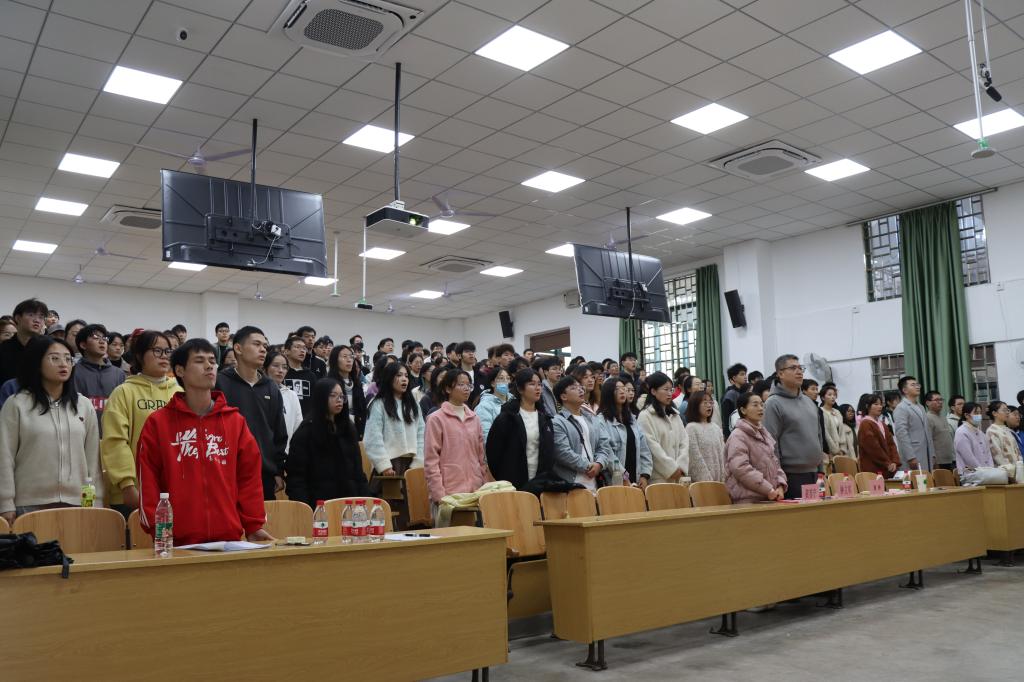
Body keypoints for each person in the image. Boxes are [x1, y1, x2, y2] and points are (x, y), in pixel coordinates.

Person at [136, 339, 272, 545]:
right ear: (180, 370)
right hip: (176, 542)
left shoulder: (235, 421)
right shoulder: (158, 423)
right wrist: (158, 528)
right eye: (199, 361)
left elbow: (249, 478)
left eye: (212, 361)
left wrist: (253, 525)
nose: (209, 366)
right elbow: (148, 480)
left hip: (228, 540)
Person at [0, 336, 102, 523]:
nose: (63, 364)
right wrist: (5, 503)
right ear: (37, 363)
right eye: (54, 358)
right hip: (29, 504)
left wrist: (94, 502)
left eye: (68, 359)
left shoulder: (83, 405)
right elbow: (4, 456)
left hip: (78, 503)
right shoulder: (16, 404)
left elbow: (92, 462)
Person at [101, 330, 183, 514]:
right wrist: (127, 484)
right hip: (133, 492)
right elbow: (115, 442)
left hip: (174, 490)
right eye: (157, 351)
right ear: (139, 355)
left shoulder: (179, 393)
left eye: (167, 351)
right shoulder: (123, 392)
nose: (164, 356)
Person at [215, 326, 288, 501]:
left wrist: (277, 470)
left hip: (263, 473)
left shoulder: (271, 387)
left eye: (265, 346)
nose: (263, 349)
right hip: (225, 471)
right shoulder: (219, 383)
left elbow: (278, 432)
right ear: (238, 348)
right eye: (256, 344)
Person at [285, 378, 370, 509]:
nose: (339, 400)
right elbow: (296, 478)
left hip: (349, 502)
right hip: (318, 504)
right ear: (321, 398)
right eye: (333, 395)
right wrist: (305, 510)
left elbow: (358, 471)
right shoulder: (306, 431)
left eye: (341, 396)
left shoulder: (348, 428)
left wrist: (365, 500)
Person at [762, 355, 823, 498]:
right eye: (793, 368)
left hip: (815, 473)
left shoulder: (809, 402)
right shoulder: (773, 403)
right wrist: (778, 479)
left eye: (800, 368)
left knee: (820, 512)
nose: (799, 371)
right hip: (790, 476)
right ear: (780, 373)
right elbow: (771, 445)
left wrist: (821, 471)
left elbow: (818, 437)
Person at [424, 369, 488, 506]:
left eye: (469, 385)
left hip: (476, 490)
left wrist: (484, 484)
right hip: (449, 492)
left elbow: (481, 457)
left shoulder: (474, 418)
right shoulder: (436, 419)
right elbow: (431, 460)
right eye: (461, 384)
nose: (466, 388)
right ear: (448, 389)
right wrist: (438, 495)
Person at [486, 368, 555, 490]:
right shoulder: (506, 418)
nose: (538, 388)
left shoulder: (545, 418)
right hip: (513, 483)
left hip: (540, 482)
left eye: (539, 384)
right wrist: (504, 478)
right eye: (532, 384)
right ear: (520, 389)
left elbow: (550, 452)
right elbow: (493, 453)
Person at [363, 361, 424, 477]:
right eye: (399, 375)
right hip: (390, 464)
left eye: (406, 376)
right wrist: (384, 465)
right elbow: (373, 437)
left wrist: (418, 462)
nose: (404, 379)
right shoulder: (378, 404)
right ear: (389, 378)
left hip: (412, 464)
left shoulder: (413, 405)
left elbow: (421, 434)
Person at [725, 393, 786, 503]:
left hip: (770, 496)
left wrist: (780, 486)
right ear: (743, 410)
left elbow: (775, 463)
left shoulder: (764, 433)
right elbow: (741, 468)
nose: (760, 408)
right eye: (755, 405)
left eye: (762, 405)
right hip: (748, 500)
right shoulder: (738, 436)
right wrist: (768, 489)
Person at [595, 377, 652, 489]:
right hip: (614, 481)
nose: (622, 391)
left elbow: (644, 449)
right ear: (608, 393)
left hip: (636, 478)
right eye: (617, 389)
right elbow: (607, 452)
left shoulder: (631, 419)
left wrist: (645, 475)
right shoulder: (601, 420)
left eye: (624, 388)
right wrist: (624, 476)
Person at [550, 375, 604, 489]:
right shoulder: (557, 422)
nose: (580, 390)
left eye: (580, 387)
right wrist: (588, 466)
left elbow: (603, 444)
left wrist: (599, 463)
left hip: (594, 483)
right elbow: (563, 452)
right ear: (563, 396)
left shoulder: (591, 418)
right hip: (571, 483)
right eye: (574, 388)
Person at [637, 372, 688, 483]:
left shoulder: (675, 414)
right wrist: (672, 469)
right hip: (658, 478)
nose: (670, 393)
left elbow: (684, 441)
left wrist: (681, 466)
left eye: (671, 390)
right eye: (666, 389)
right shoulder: (645, 416)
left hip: (679, 477)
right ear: (653, 391)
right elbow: (652, 447)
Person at [73, 323, 126, 428]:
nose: (102, 341)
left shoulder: (119, 374)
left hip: (112, 432)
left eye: (104, 338)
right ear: (83, 345)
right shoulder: (73, 372)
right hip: (82, 430)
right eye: (95, 337)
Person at [263, 351, 303, 453]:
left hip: (285, 453)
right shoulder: (258, 392)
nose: (280, 370)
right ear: (264, 368)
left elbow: (298, 427)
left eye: (284, 367)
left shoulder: (292, 395)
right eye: (275, 366)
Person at [0, 298, 48, 384]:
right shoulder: (3, 349)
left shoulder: (49, 347)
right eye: (31, 315)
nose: (37, 320)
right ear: (18, 318)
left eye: (41, 317)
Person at [892, 375, 934, 470]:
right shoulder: (901, 408)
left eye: (917, 384)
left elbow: (927, 431)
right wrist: (910, 457)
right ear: (905, 390)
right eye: (913, 385)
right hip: (914, 454)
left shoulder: (921, 407)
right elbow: (901, 433)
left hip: (926, 453)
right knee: (916, 478)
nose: (917, 386)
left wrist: (932, 453)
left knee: (927, 478)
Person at [685, 391, 726, 483]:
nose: (709, 405)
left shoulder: (715, 427)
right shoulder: (691, 428)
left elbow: (723, 454)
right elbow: (694, 458)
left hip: (719, 482)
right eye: (705, 402)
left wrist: (723, 478)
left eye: (710, 402)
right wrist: (708, 482)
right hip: (702, 484)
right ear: (695, 405)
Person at [328, 345, 367, 439]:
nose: (349, 360)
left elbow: (363, 410)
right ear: (335, 360)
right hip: (336, 431)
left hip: (356, 431)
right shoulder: (329, 383)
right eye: (344, 356)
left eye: (351, 357)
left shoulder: (357, 384)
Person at [856, 394, 900, 478]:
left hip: (888, 467)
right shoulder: (865, 424)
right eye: (876, 404)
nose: (880, 407)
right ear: (867, 406)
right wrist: (887, 463)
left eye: (880, 404)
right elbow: (873, 448)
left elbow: (891, 444)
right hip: (873, 468)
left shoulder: (882, 424)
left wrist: (894, 461)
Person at [954, 402, 993, 483]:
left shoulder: (981, 434)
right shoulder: (961, 432)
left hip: (986, 474)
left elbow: (988, 455)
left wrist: (991, 470)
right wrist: (983, 471)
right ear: (966, 415)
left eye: (980, 413)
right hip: (970, 476)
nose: (979, 415)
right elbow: (968, 457)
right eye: (976, 413)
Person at [283, 336, 318, 417]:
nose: (302, 351)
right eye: (297, 347)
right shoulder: (281, 373)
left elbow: (315, 401)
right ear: (287, 351)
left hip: (306, 420)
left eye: (304, 348)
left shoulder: (311, 375)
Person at [986, 401, 1021, 480]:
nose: (1007, 412)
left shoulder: (1007, 430)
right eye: (1004, 410)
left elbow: (1017, 451)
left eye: (1007, 410)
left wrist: (1020, 468)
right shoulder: (991, 431)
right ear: (994, 413)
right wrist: (1011, 472)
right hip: (1005, 475)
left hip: (1017, 473)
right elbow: (998, 457)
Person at [923, 391, 956, 472]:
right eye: (937, 400)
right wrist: (934, 460)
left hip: (950, 459)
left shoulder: (943, 417)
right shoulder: (927, 418)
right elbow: (928, 441)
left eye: (941, 400)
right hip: (938, 461)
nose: (940, 402)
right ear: (928, 403)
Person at [475, 367, 510, 442]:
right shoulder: (484, 406)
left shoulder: (514, 401)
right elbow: (485, 436)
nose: (505, 381)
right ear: (493, 383)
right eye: (501, 378)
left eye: (508, 378)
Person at [802, 379, 830, 462]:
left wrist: (825, 449)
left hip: (820, 447)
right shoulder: (801, 408)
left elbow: (822, 431)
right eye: (813, 389)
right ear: (804, 391)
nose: (816, 392)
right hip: (807, 449)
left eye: (817, 389)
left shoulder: (818, 409)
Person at [721, 363, 748, 436]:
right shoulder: (730, 395)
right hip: (734, 433)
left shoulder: (744, 392)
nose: (745, 377)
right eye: (742, 374)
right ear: (734, 378)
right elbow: (726, 419)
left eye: (745, 374)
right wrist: (728, 436)